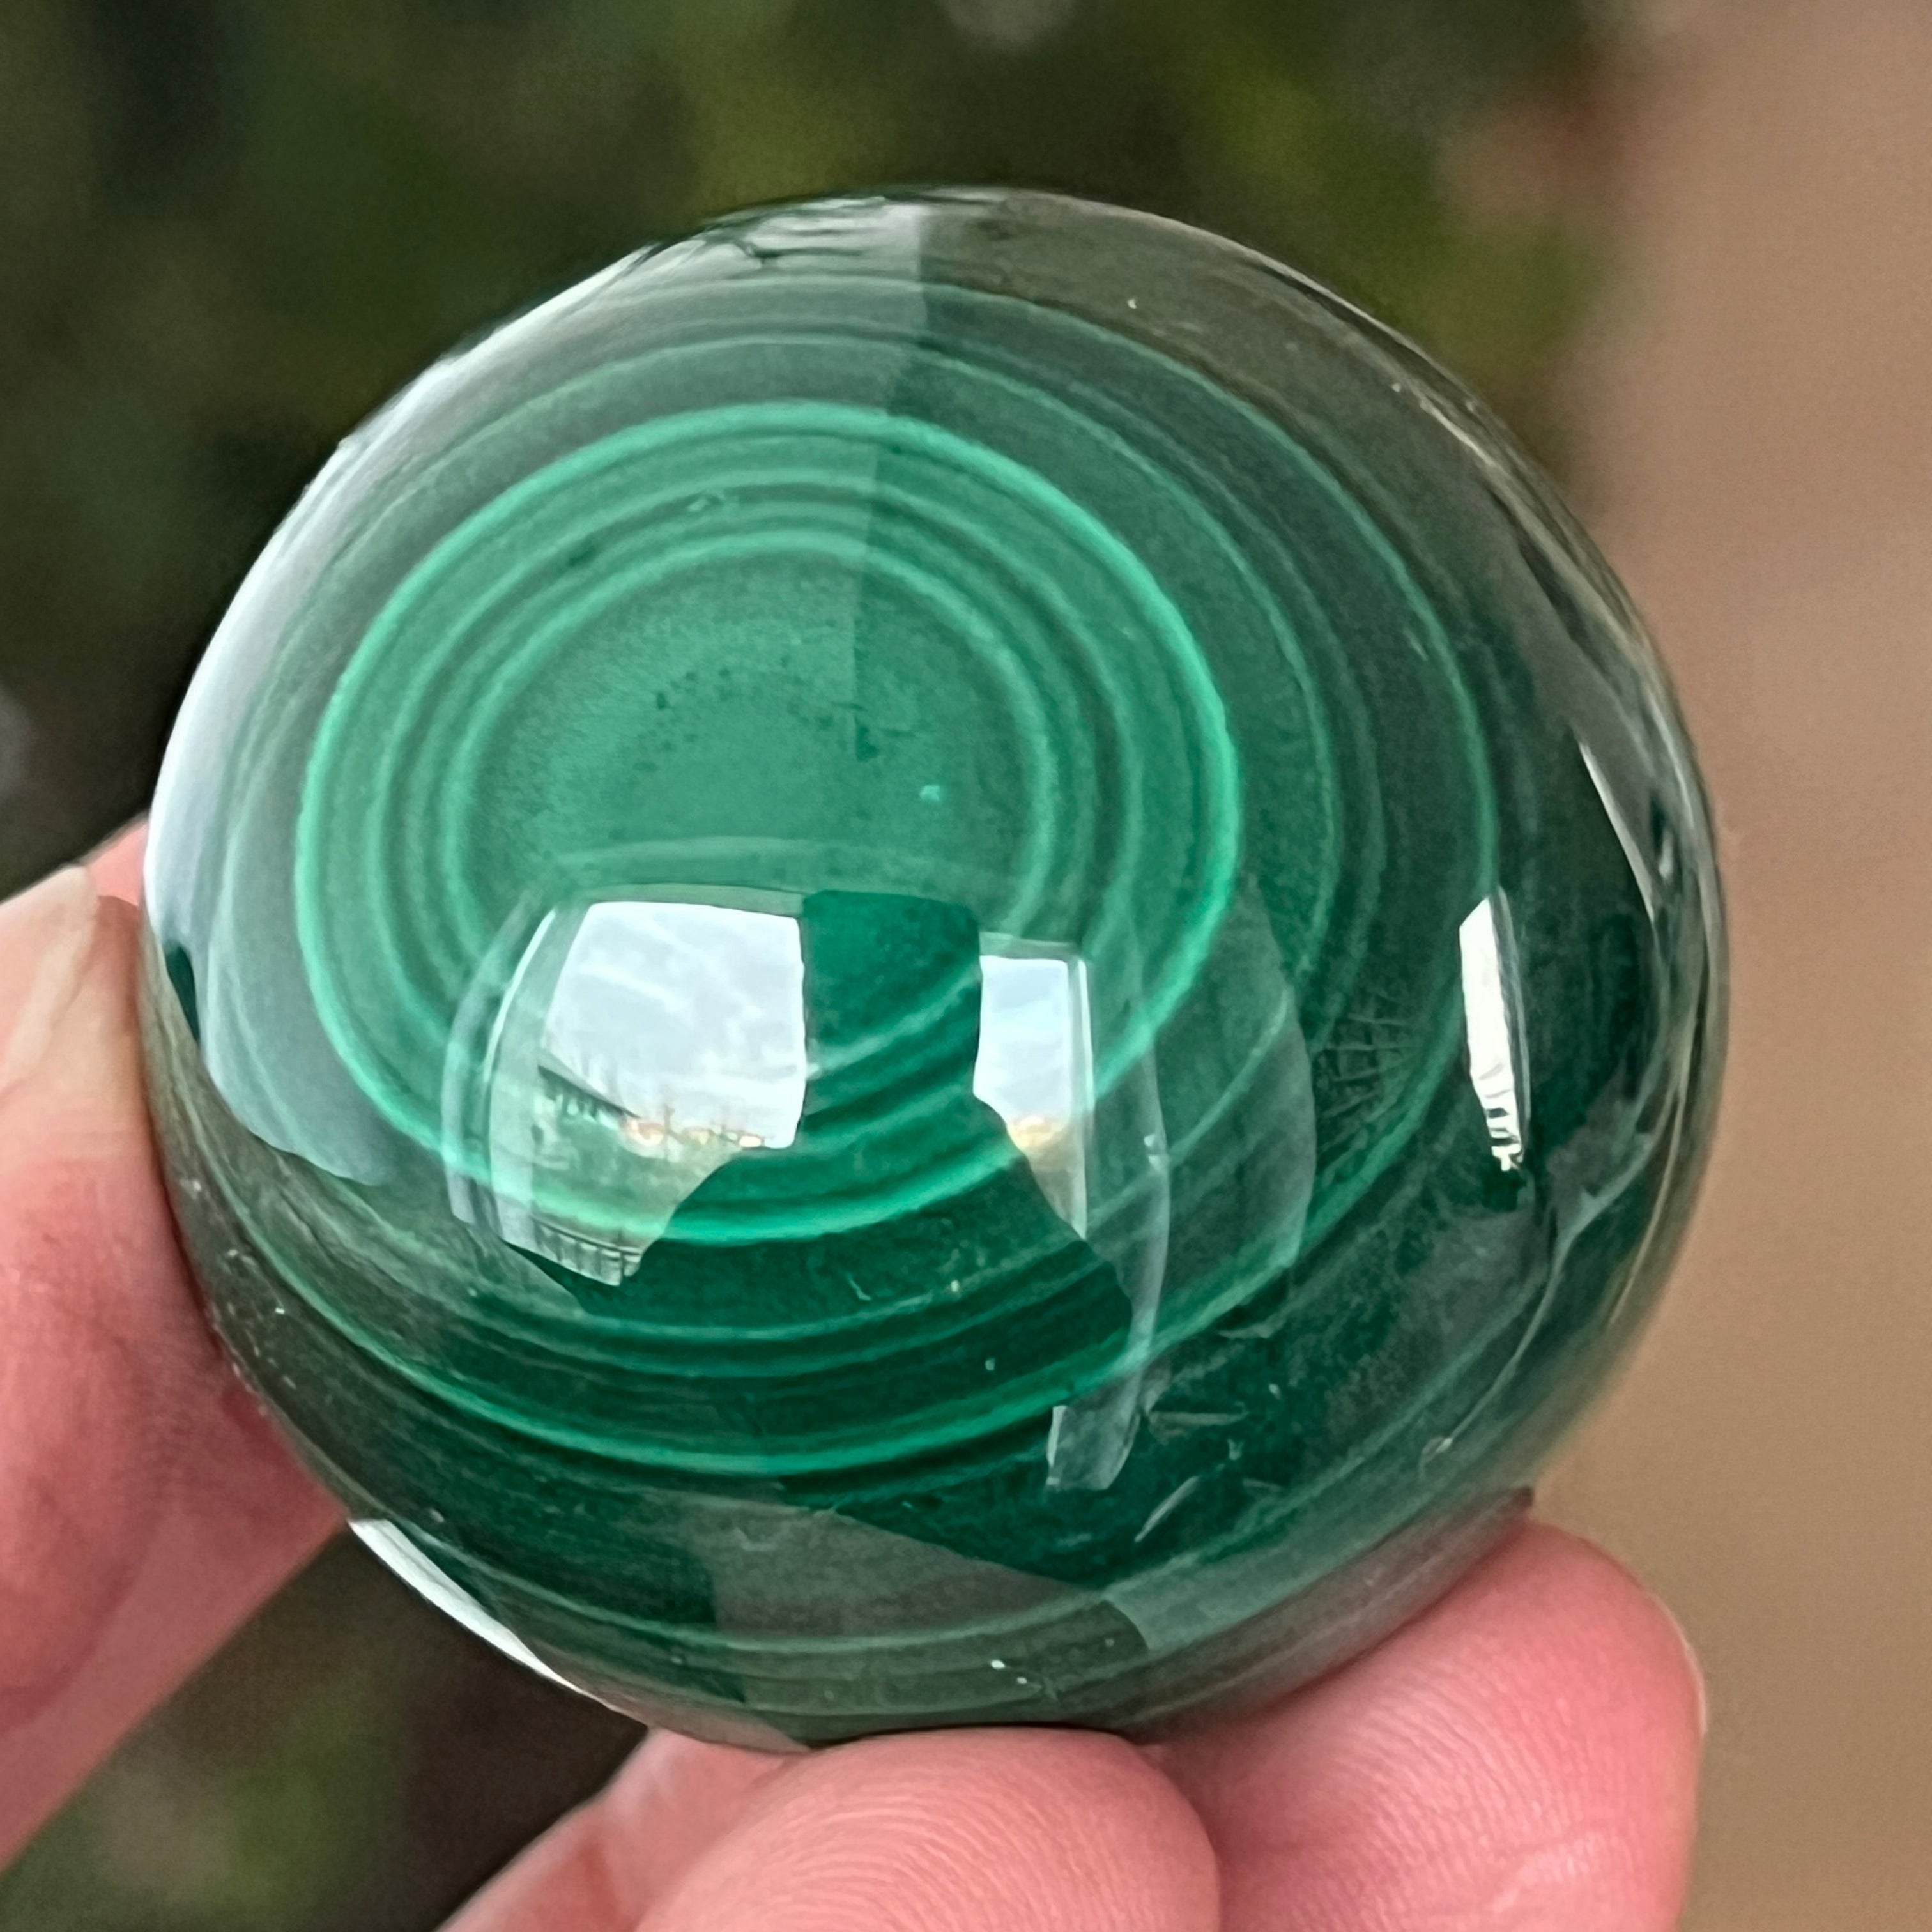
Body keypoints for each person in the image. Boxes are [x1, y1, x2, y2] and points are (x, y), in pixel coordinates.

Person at [0, 834, 1705, 1931]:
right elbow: (627, 1382)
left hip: (992, 1624)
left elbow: (1099, 1382)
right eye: (868, 998)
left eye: (914, 999)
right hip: (859, 1623)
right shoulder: (789, 1193)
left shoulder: (983, 1195)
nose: (886, 1027)